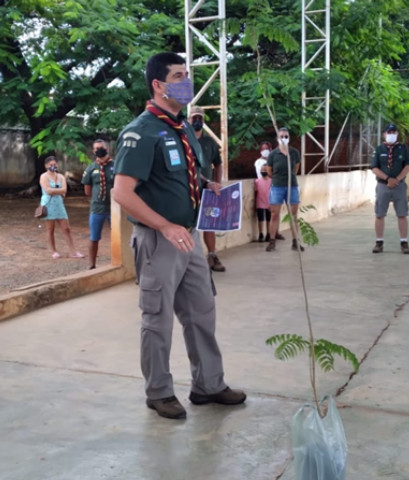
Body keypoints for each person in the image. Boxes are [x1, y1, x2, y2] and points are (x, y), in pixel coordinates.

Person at [112, 52, 246, 420]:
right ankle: (158, 392)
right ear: (158, 84)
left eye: (187, 74)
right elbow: (123, 193)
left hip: (190, 238)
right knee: (157, 319)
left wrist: (208, 186)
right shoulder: (141, 131)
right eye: (178, 75)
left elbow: (180, 178)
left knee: (202, 312)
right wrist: (164, 226)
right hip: (159, 241)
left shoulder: (182, 127)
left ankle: (209, 385)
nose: (186, 81)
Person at [188, 106, 226, 272]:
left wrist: (216, 183)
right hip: (188, 188)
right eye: (194, 118)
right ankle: (189, 260)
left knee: (208, 223)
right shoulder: (184, 140)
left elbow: (218, 163)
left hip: (208, 190)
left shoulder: (209, 142)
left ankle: (212, 255)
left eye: (200, 118)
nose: (197, 121)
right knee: (188, 224)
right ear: (188, 120)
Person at [371, 123, 409, 254]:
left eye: (394, 132)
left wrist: (397, 179)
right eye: (389, 132)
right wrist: (388, 178)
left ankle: (404, 242)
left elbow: (408, 165)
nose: (391, 135)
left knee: (402, 214)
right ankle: (379, 242)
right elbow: (374, 168)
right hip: (383, 185)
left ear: (397, 134)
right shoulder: (379, 149)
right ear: (384, 134)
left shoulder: (403, 148)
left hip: (399, 186)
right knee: (379, 214)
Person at [265, 127, 303, 252]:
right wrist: (278, 178)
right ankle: (272, 241)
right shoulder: (273, 154)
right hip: (277, 186)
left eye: (286, 136)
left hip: (292, 185)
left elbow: (296, 168)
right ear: (277, 138)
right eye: (281, 136)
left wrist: (290, 177)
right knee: (275, 214)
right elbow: (269, 171)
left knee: (293, 215)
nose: (284, 139)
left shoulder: (294, 153)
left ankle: (295, 241)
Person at [39, 156, 84, 260]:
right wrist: (59, 191)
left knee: (66, 228)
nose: (53, 166)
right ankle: (53, 251)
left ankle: (73, 251)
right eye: (50, 165)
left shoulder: (61, 176)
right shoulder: (43, 176)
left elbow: (64, 190)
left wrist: (55, 190)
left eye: (55, 164)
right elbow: (48, 190)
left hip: (59, 204)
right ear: (46, 166)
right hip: (48, 205)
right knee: (50, 229)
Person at [81, 139, 115, 269]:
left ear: (107, 149)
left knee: (119, 236)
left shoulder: (116, 165)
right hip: (97, 208)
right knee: (94, 237)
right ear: (93, 151)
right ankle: (92, 265)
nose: (98, 150)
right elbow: (87, 191)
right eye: (96, 148)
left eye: (101, 147)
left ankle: (121, 261)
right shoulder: (91, 168)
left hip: (114, 209)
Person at [255, 164, 272, 242]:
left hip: (269, 203)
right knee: (261, 219)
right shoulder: (257, 181)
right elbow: (256, 192)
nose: (263, 171)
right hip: (260, 202)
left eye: (265, 170)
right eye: (262, 170)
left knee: (269, 219)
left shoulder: (271, 181)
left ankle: (268, 233)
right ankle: (261, 233)